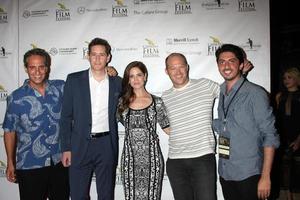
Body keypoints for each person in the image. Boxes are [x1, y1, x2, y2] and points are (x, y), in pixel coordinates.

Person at [213, 44, 280, 200]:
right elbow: (225, 123)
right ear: (218, 65)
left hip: (250, 174)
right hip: (226, 171)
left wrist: (265, 177)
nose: (226, 65)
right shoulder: (222, 91)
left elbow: (270, 135)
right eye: (222, 61)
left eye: (232, 61)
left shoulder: (255, 93)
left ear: (241, 64)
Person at [59, 37, 122, 200]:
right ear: (88, 56)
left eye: (102, 55)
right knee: (78, 195)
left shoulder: (118, 82)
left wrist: (114, 71)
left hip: (106, 145)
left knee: (106, 194)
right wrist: (66, 148)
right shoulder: (73, 80)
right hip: (79, 145)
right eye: (94, 54)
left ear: (108, 57)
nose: (97, 58)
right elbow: (65, 117)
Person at [2, 48, 69, 200]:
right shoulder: (16, 97)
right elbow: (9, 131)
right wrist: (10, 163)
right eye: (32, 67)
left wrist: (106, 71)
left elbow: (85, 85)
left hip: (59, 161)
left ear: (47, 68)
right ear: (26, 68)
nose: (37, 72)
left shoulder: (61, 88)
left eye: (41, 67)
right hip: (29, 163)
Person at [162, 53, 219, 200]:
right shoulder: (165, 96)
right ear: (166, 71)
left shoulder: (205, 85)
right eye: (173, 68)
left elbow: (232, 94)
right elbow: (165, 125)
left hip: (203, 159)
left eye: (181, 66)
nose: (178, 71)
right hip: (175, 162)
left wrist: (241, 73)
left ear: (187, 67)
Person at [117, 61, 170, 200]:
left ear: (145, 76)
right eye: (131, 76)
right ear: (128, 79)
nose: (135, 79)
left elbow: (168, 129)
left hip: (153, 159)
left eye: (139, 75)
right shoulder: (121, 102)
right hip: (129, 160)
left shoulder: (157, 101)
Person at [275, 67, 300, 200]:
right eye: (284, 78)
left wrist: (298, 140)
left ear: (297, 78)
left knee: (297, 171)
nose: (286, 80)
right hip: (282, 138)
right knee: (284, 170)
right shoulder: (279, 96)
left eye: (289, 77)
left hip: (298, 137)